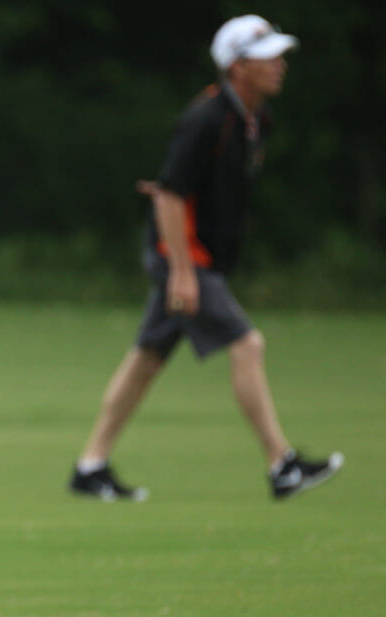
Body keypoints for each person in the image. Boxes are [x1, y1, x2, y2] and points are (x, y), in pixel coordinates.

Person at [70, 15, 343, 502]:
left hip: (198, 260)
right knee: (247, 344)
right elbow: (170, 197)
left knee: (147, 360)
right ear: (238, 67)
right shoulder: (207, 119)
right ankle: (282, 465)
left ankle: (90, 466)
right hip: (183, 258)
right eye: (267, 57)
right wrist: (181, 271)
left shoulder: (254, 118)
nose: (280, 65)